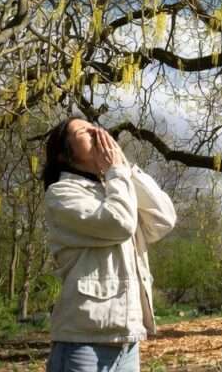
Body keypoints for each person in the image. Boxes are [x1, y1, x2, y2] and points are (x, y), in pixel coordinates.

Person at [42, 117, 177, 372]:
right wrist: (116, 173)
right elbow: (120, 224)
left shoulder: (117, 187)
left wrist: (124, 167)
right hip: (83, 341)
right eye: (84, 131)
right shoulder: (61, 194)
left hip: (127, 341)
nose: (97, 131)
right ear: (63, 154)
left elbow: (164, 218)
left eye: (96, 127)